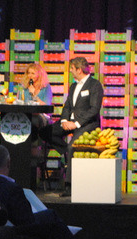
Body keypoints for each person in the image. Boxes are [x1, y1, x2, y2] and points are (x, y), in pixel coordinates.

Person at [39, 57, 103, 196]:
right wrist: (64, 121)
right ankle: (66, 154)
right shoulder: (73, 86)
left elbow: (94, 109)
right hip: (70, 122)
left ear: (79, 70)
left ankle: (69, 186)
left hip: (86, 124)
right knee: (45, 132)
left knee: (72, 147)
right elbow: (67, 106)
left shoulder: (95, 85)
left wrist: (76, 123)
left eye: (72, 69)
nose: (71, 72)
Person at [21, 63, 53, 128]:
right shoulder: (26, 87)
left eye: (33, 73)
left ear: (39, 75)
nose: (30, 76)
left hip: (42, 115)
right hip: (28, 114)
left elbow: (46, 107)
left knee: (34, 119)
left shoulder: (46, 87)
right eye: (29, 73)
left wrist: (34, 95)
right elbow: (22, 103)